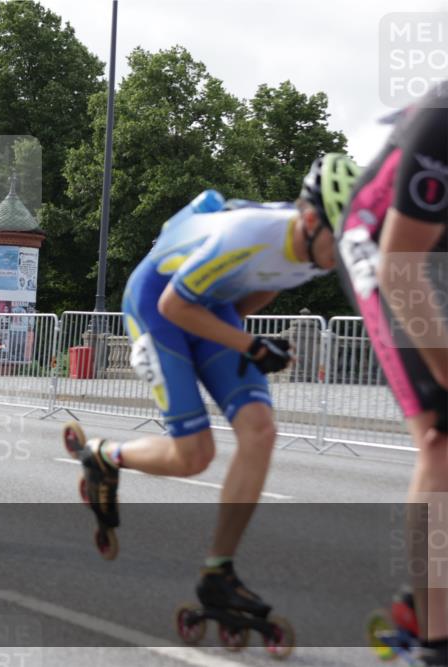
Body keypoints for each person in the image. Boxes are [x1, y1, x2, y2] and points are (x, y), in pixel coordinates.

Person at [63, 154, 359, 614]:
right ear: (309, 219)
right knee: (194, 456)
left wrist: (230, 345)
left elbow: (265, 286)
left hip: (209, 305)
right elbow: (173, 306)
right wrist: (252, 348)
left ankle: (219, 571)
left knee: (260, 431)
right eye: (338, 241)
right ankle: (103, 456)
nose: (341, 255)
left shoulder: (318, 249)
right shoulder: (249, 234)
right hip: (157, 305)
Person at [336, 83, 446, 667]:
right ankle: (434, 640)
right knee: (442, 438)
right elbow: (399, 265)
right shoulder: (443, 119)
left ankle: (422, 594)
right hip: (383, 248)